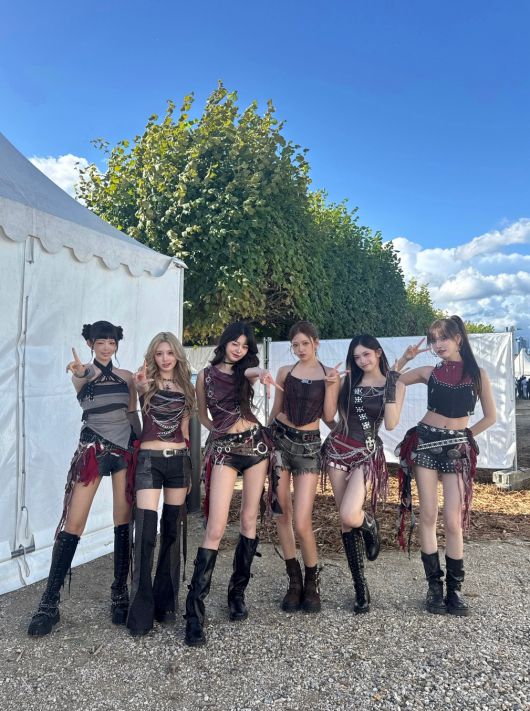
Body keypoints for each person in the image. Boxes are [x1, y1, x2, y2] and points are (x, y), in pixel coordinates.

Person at [28, 321, 139, 636]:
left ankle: (119, 593)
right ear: (91, 344)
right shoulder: (83, 373)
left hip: (124, 450)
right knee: (74, 523)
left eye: (111, 342)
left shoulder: (127, 377)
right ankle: (49, 603)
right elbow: (80, 379)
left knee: (122, 521)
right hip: (92, 451)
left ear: (116, 344)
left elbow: (133, 414)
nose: (106, 347)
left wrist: (141, 449)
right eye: (100, 342)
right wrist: (78, 372)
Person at [396, 316, 496, 615]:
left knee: (453, 521)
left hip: (456, 450)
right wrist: (405, 358)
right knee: (428, 515)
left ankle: (455, 591)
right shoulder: (429, 372)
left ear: (458, 339)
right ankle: (434, 589)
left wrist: (465, 437)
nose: (438, 344)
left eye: (444, 338)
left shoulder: (478, 374)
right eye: (434, 339)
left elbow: (490, 417)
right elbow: (393, 379)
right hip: (426, 442)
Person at [184, 321, 275, 647]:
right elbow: (202, 414)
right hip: (223, 450)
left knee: (249, 520)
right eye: (235, 343)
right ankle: (194, 612)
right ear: (224, 343)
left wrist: (262, 372)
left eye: (244, 345)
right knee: (216, 527)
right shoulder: (205, 376)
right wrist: (217, 431)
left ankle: (237, 595)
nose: (239, 349)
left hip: (255, 446)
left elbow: (253, 372)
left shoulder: (244, 371)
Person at [321, 335, 405, 613]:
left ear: (378, 353)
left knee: (350, 514)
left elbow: (391, 424)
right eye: (356, 357)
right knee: (345, 523)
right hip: (337, 451)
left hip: (367, 455)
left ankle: (370, 524)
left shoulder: (395, 384)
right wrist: (331, 385)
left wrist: (391, 383)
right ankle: (360, 587)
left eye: (366, 354)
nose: (361, 361)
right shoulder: (348, 381)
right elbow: (328, 415)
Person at [126, 332, 195, 636]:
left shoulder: (187, 387)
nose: (165, 358)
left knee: (171, 531)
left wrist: (190, 470)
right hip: (149, 461)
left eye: (169, 352)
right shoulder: (145, 382)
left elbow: (185, 432)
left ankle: (165, 602)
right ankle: (141, 609)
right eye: (159, 353)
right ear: (152, 357)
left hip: (178, 461)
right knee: (145, 531)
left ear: (177, 354)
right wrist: (140, 385)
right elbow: (139, 395)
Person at [267, 321, 336, 614]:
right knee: (281, 513)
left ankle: (312, 581)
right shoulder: (286, 372)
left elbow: (329, 416)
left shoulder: (329, 373)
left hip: (309, 448)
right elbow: (276, 409)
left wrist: (331, 386)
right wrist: (265, 437)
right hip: (281, 442)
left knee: (302, 521)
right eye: (295, 345)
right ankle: (293, 581)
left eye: (305, 344)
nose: (300, 349)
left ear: (316, 343)